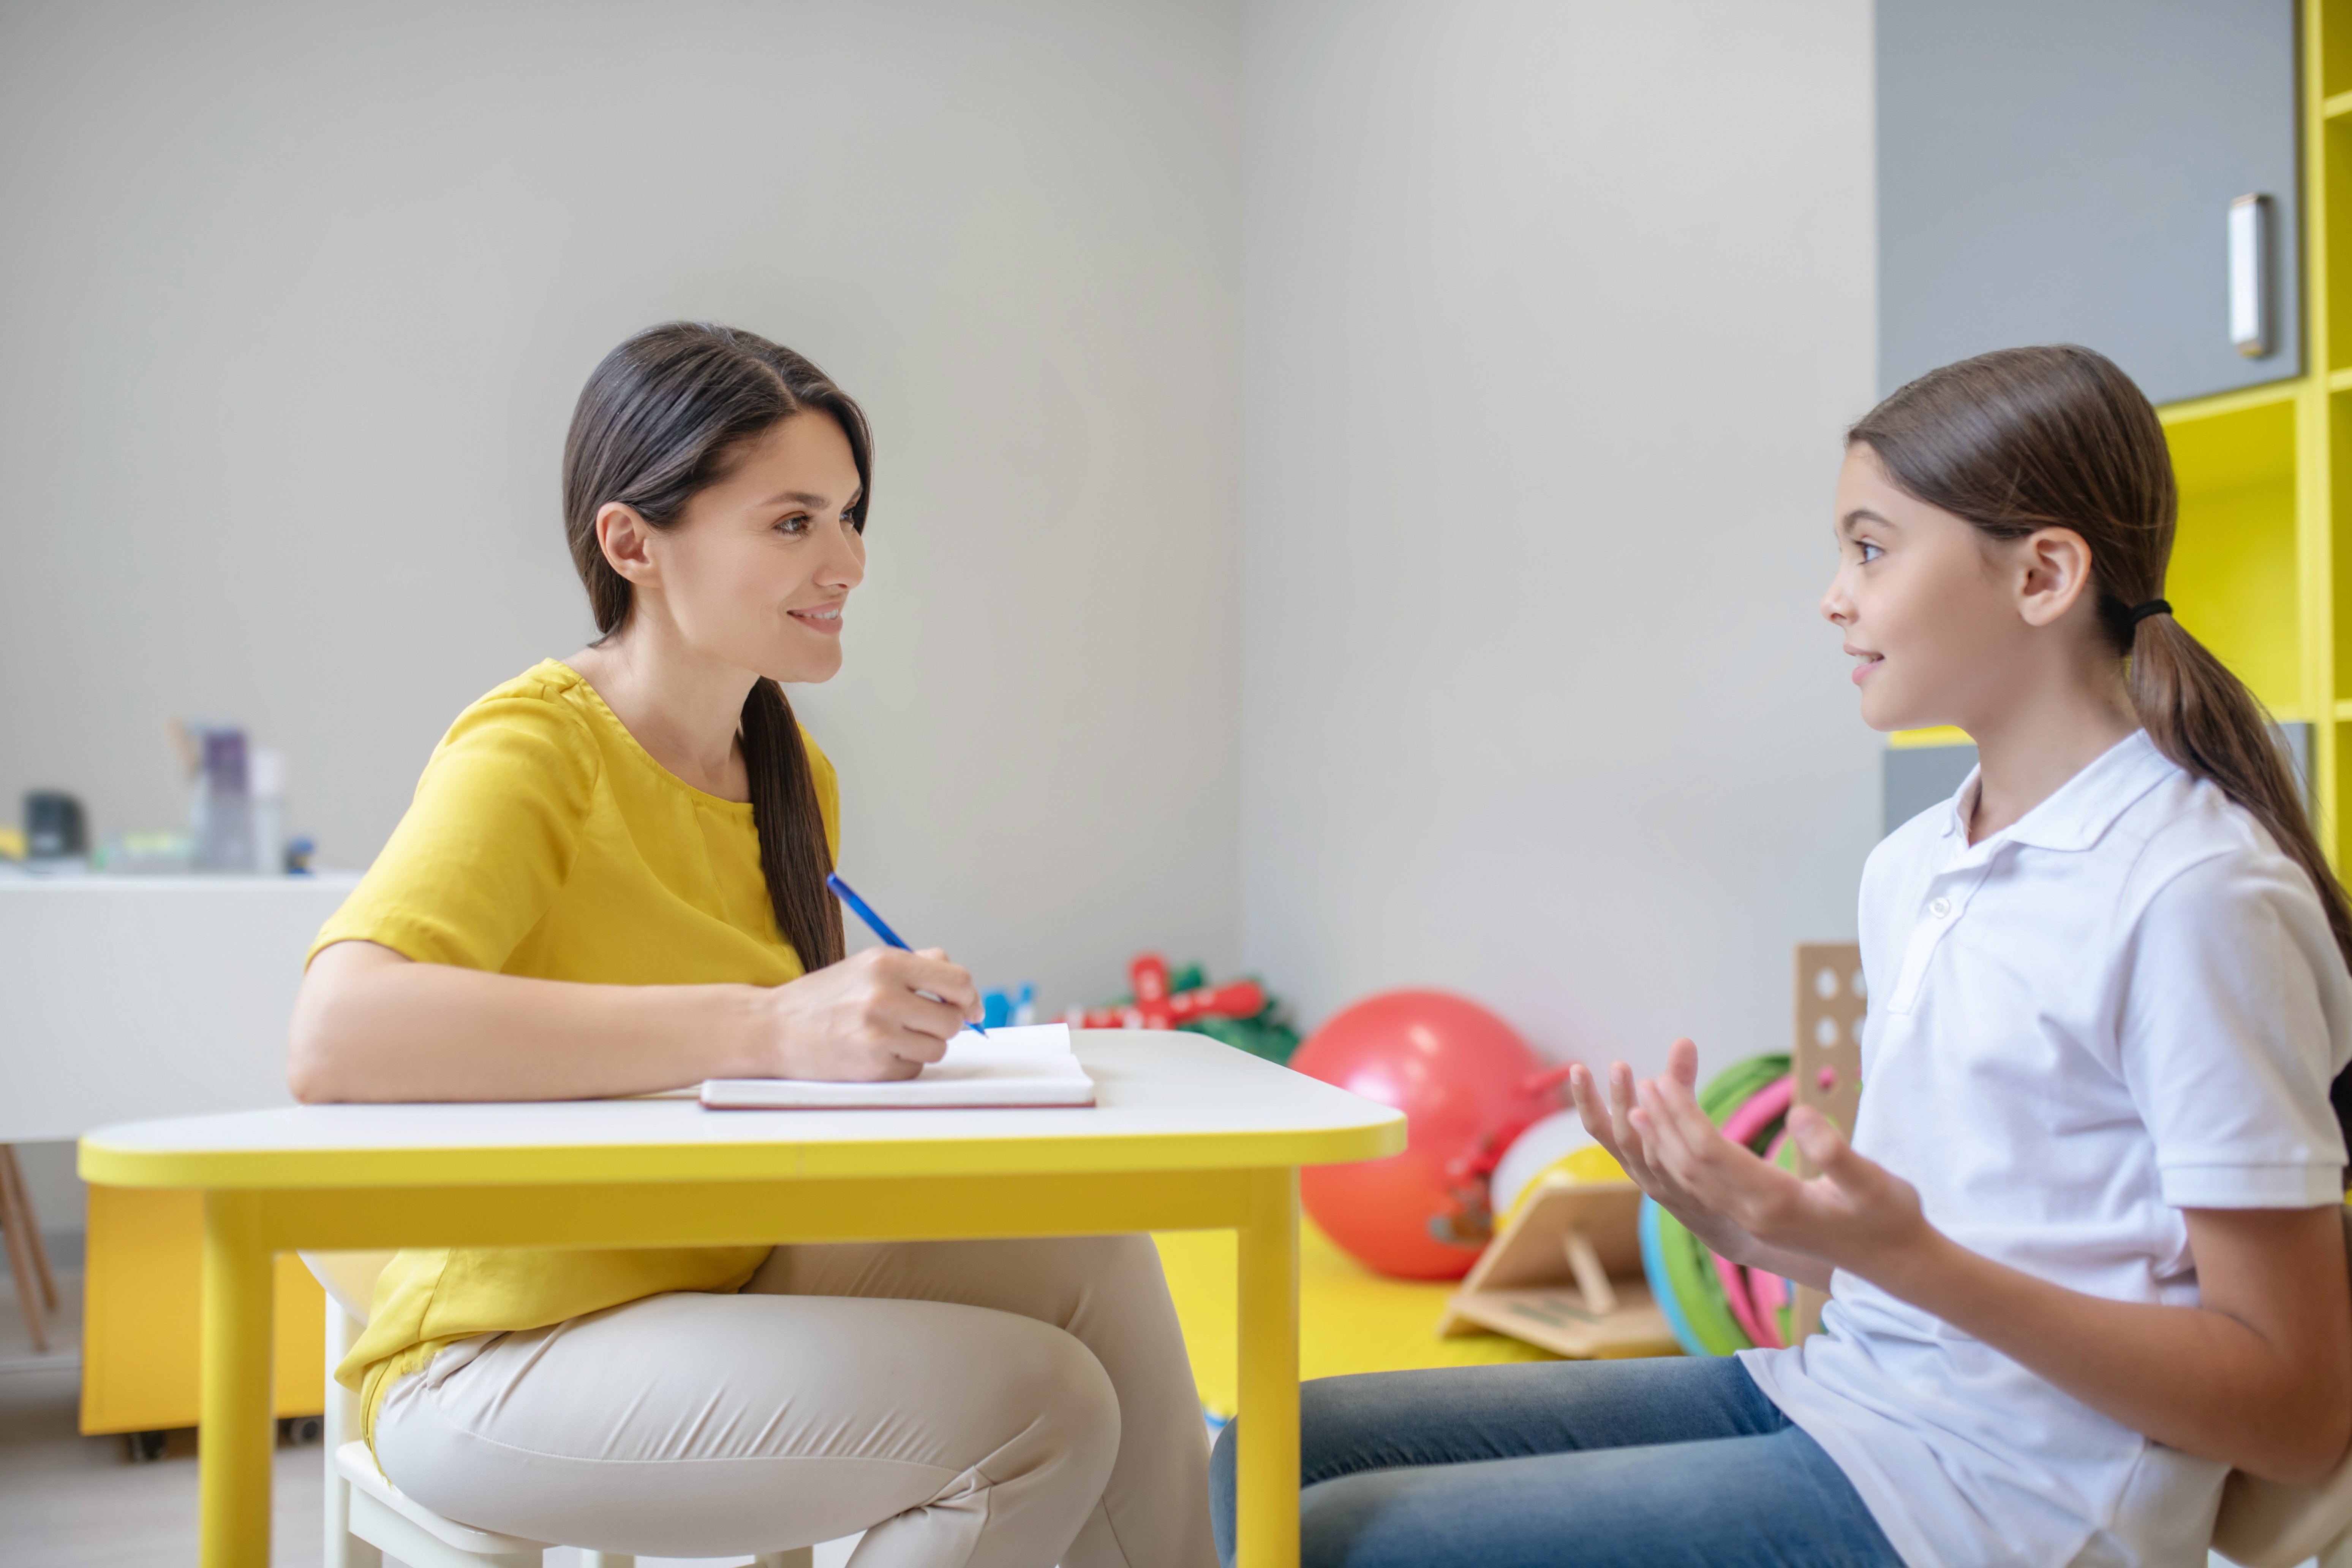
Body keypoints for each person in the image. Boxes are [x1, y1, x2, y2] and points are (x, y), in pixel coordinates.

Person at [1209, 345, 2352, 1568]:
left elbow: (2292, 1411)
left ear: (2044, 574)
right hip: (1846, 1400)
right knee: (1273, 1452)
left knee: (1339, 1544)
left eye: (1870, 548)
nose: (1834, 596)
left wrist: (1904, 1257)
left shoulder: (2194, 895)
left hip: (2005, 1508)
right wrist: (1765, 1230)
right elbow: (1946, 1249)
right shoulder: (1913, 866)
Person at [288, 322, 1217, 1568]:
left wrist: (874, 1042)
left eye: (848, 516)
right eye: (794, 523)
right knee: (1041, 1408)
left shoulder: (790, 771)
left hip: (716, 1281)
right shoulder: (535, 751)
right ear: (634, 544)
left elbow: (786, 1092)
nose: (850, 562)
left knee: (1092, 1256)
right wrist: (773, 1022)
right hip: (503, 1358)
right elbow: (340, 1034)